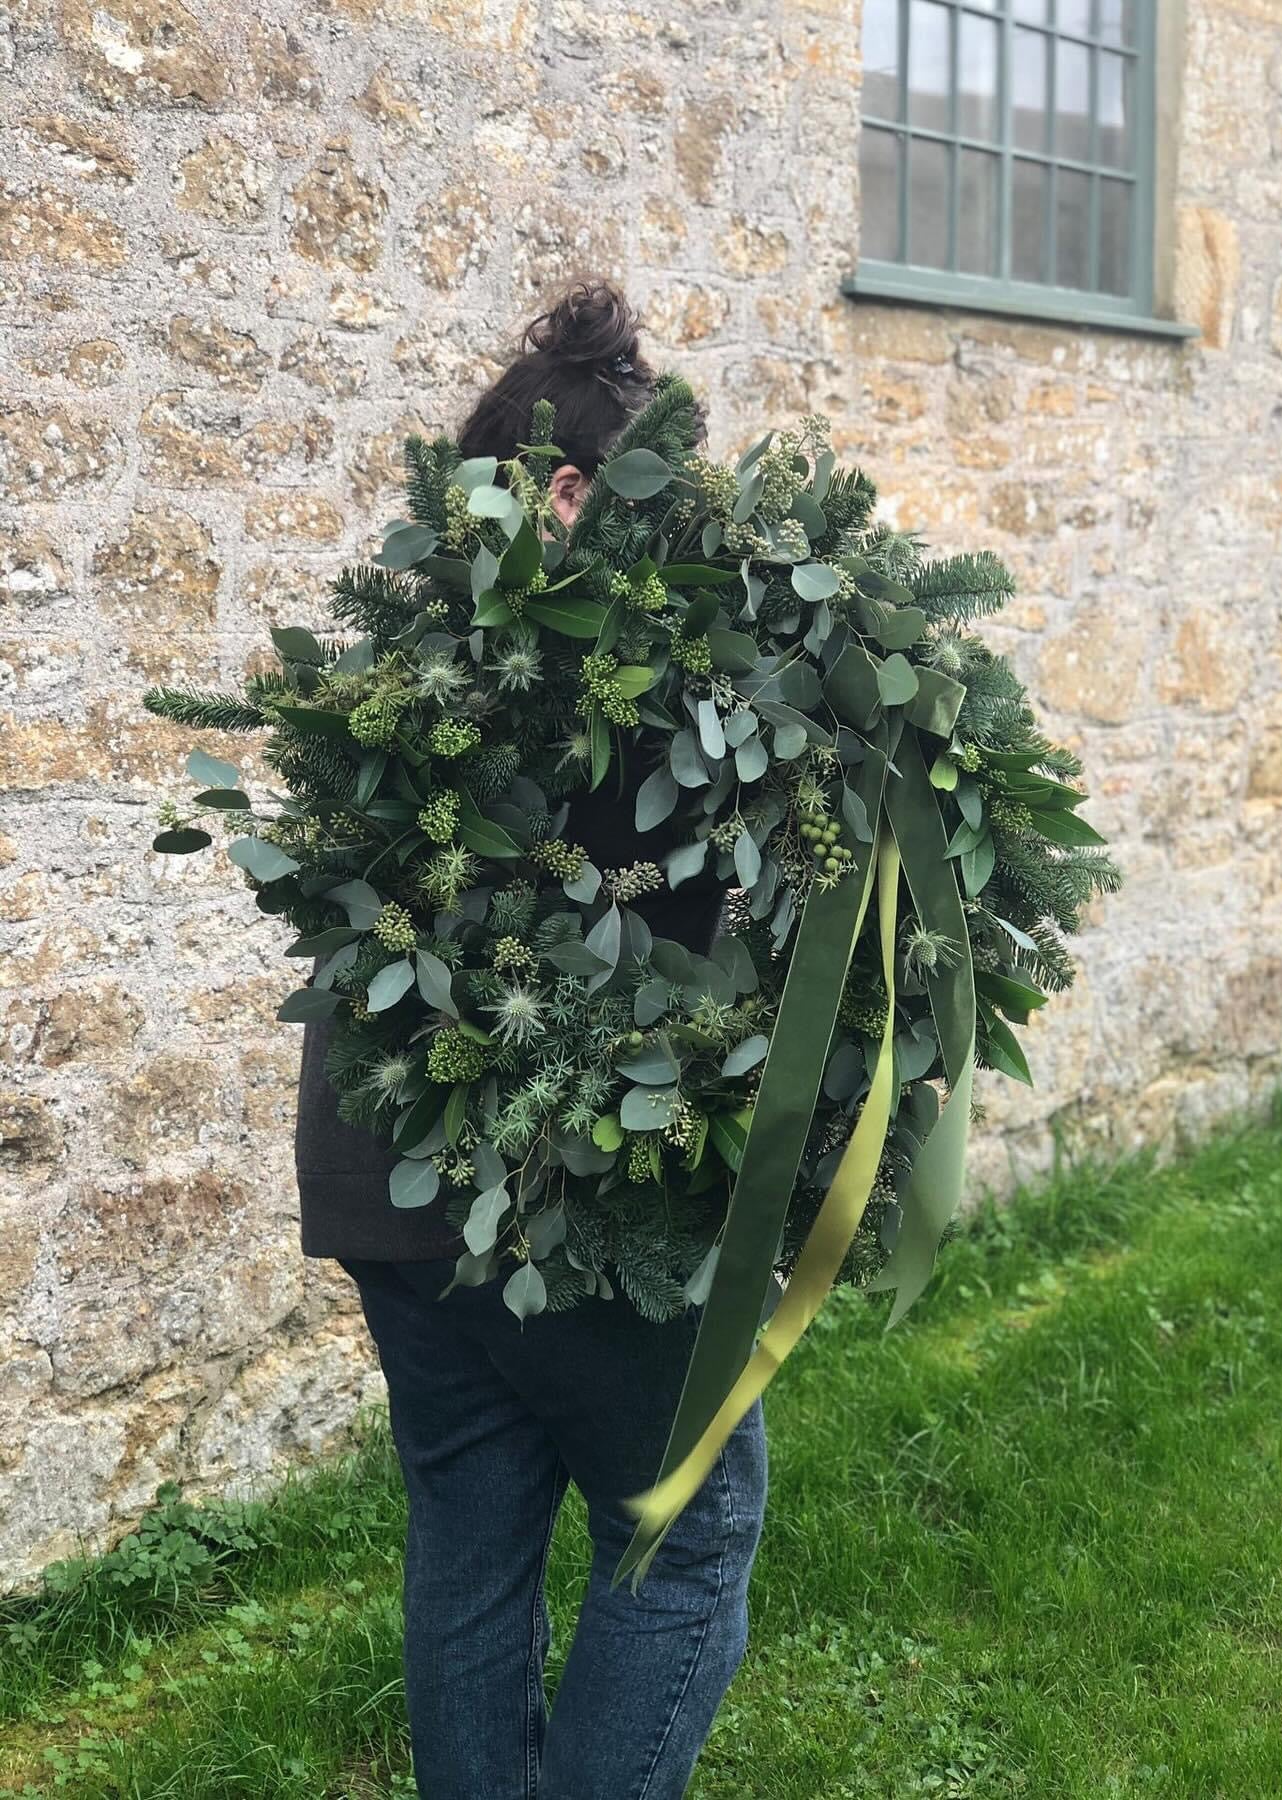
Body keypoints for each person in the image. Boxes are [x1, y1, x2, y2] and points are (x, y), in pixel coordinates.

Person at [294, 281, 768, 1799]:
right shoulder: (608, 676)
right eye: (657, 508)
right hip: (558, 1200)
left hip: (386, 1186)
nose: (678, 555)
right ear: (568, 492)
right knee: (685, 1535)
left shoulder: (398, 652)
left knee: (472, 1544)